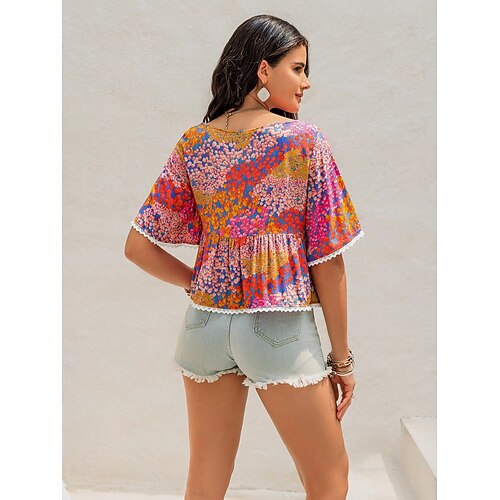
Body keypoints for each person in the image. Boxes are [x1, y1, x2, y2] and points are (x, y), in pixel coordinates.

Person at [124, 14, 365, 500]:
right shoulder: (304, 142)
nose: (306, 82)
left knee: (205, 479)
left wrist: (198, 282)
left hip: (203, 328)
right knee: (329, 475)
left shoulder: (194, 142)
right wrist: (342, 361)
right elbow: (328, 262)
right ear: (263, 69)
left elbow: (137, 247)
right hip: (278, 327)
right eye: (297, 68)